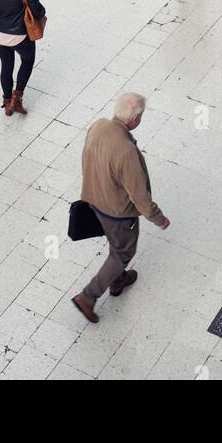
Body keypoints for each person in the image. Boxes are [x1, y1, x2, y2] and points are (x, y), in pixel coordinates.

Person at [71, 93, 170, 324]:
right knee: (122, 252)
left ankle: (118, 279)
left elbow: (86, 158)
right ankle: (88, 297)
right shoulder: (126, 151)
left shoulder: (98, 126)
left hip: (94, 199)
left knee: (115, 242)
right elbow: (139, 196)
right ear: (135, 120)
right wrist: (159, 219)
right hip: (118, 212)